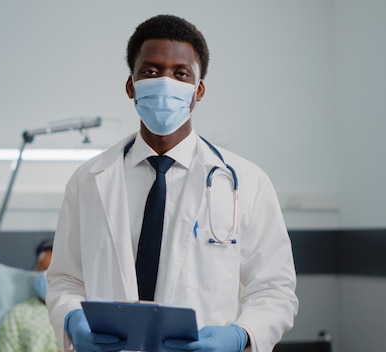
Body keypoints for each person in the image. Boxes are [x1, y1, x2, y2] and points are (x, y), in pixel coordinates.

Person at [46, 14, 298, 352]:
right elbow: (65, 280)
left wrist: (241, 336)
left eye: (180, 74)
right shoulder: (89, 181)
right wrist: (73, 321)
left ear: (199, 89)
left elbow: (274, 290)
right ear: (131, 86)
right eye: (150, 72)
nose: (165, 82)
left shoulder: (247, 183)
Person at [0, 239, 60, 352]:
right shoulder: (19, 314)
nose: (44, 275)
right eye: (40, 269)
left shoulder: (81, 310)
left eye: (51, 270)